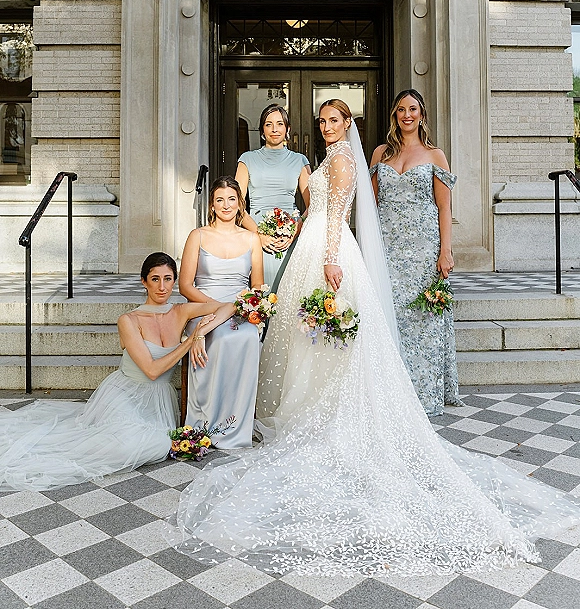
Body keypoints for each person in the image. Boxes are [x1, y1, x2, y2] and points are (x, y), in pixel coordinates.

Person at [167, 102, 580, 578]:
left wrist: (328, 259)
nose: (326, 127)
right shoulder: (328, 157)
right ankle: (309, 404)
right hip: (311, 242)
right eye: (321, 121)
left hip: (329, 250)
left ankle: (328, 409)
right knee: (311, 340)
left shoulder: (342, 160)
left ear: (349, 125)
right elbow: (317, 206)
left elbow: (338, 214)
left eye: (334, 121)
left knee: (327, 335)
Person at [0, 252, 233, 492]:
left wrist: (203, 333)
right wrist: (191, 339)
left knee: (157, 444)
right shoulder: (129, 320)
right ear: (144, 281)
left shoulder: (181, 311)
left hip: (159, 400)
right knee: (125, 446)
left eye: (168, 278)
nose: (162, 287)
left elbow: (230, 305)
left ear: (175, 281)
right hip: (125, 392)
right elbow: (152, 371)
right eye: (155, 279)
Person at [369, 88, 462, 416]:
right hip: (388, 249)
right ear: (394, 116)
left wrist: (445, 251)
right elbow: (370, 206)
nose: (406, 115)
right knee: (389, 317)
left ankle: (422, 393)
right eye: (400, 110)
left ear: (422, 115)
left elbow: (444, 207)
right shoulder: (380, 154)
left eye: (413, 109)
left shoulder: (435, 155)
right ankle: (389, 392)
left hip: (424, 250)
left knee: (421, 320)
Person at [179, 175, 264, 449]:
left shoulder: (252, 239)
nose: (226, 205)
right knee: (221, 338)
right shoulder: (198, 235)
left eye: (231, 199)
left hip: (239, 310)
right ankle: (206, 420)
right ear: (212, 205)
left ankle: (236, 424)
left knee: (247, 337)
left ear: (240, 204)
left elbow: (257, 287)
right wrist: (215, 310)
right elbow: (184, 285)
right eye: (219, 200)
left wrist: (239, 308)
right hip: (203, 306)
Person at [235, 104, 310, 290]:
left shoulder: (300, 160)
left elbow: (313, 206)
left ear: (287, 129)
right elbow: (236, 204)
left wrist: (295, 231)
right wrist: (258, 235)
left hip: (290, 233)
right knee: (262, 293)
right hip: (256, 230)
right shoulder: (247, 159)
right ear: (262, 130)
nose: (274, 129)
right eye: (269, 124)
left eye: (279, 124)